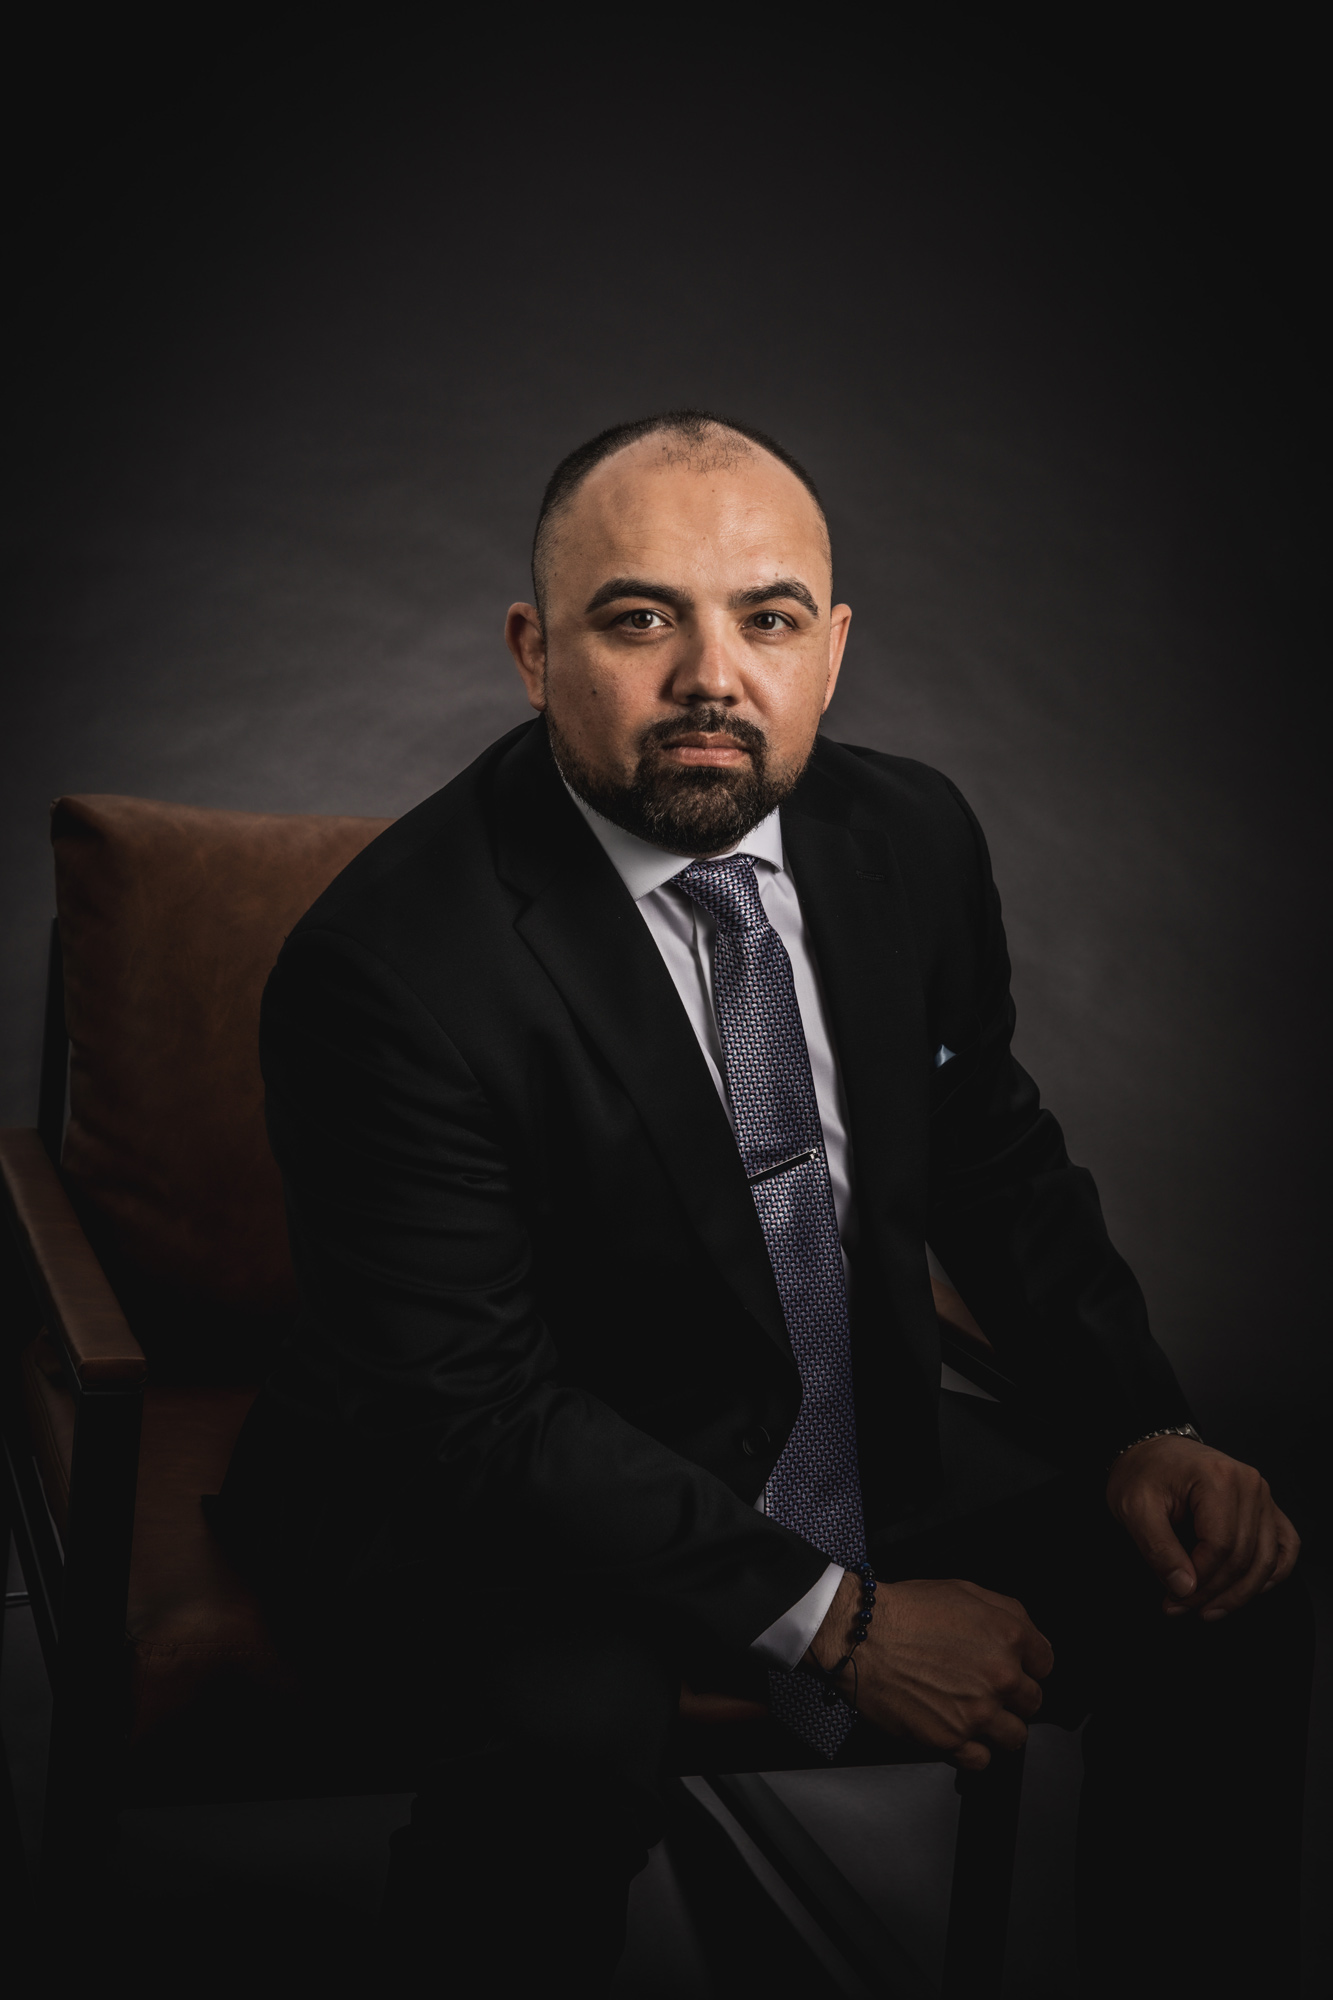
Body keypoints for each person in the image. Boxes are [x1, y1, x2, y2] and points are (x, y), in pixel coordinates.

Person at [219, 410, 1311, 1996]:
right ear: (534, 650)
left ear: (833, 648)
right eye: (640, 616)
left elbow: (990, 1149)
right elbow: (471, 1408)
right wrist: (846, 1628)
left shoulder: (907, 835)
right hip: (488, 1494)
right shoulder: (390, 968)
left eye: (767, 618)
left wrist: (1148, 1425)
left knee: (1224, 1596)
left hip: (821, 1418)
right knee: (565, 1742)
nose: (710, 678)